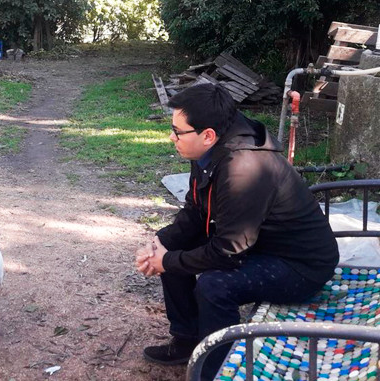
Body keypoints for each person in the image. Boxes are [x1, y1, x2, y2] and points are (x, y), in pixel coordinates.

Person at [135, 84, 338, 378]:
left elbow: (228, 251)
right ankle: (187, 340)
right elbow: (195, 211)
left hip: (300, 266)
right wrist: (159, 244)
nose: (172, 136)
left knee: (214, 285)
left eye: (178, 131)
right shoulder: (207, 151)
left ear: (207, 135)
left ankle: (217, 369)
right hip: (260, 243)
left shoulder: (242, 168)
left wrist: (166, 261)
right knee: (174, 250)